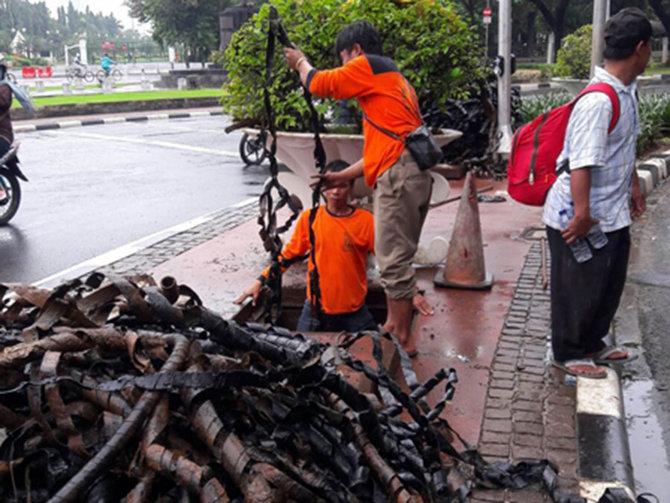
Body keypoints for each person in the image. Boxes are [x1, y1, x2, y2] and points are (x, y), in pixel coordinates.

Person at [283, 21, 434, 355]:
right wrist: (345, 176)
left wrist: (300, 63)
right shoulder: (394, 80)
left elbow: (320, 83)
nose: (344, 68)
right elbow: (384, 150)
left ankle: (399, 335)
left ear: (357, 51)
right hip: (412, 173)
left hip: (399, 177)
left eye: (344, 59)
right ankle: (396, 327)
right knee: (398, 255)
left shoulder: (369, 66)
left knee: (392, 259)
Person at [543, 8, 663, 378]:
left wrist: (632, 188)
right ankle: (568, 351)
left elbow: (622, 147)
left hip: (609, 212)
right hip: (577, 216)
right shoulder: (598, 101)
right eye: (650, 48)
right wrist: (581, 215)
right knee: (577, 286)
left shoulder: (626, 93)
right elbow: (581, 163)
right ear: (641, 48)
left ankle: (593, 341)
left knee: (606, 281)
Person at [234, 161, 377, 332]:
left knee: (378, 350)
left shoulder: (366, 221)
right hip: (315, 309)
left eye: (342, 186)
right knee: (299, 351)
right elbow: (288, 256)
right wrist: (260, 281)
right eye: (331, 186)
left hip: (354, 312)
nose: (336, 192)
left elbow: (387, 259)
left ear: (351, 187)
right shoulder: (310, 219)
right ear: (323, 187)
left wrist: (409, 293)